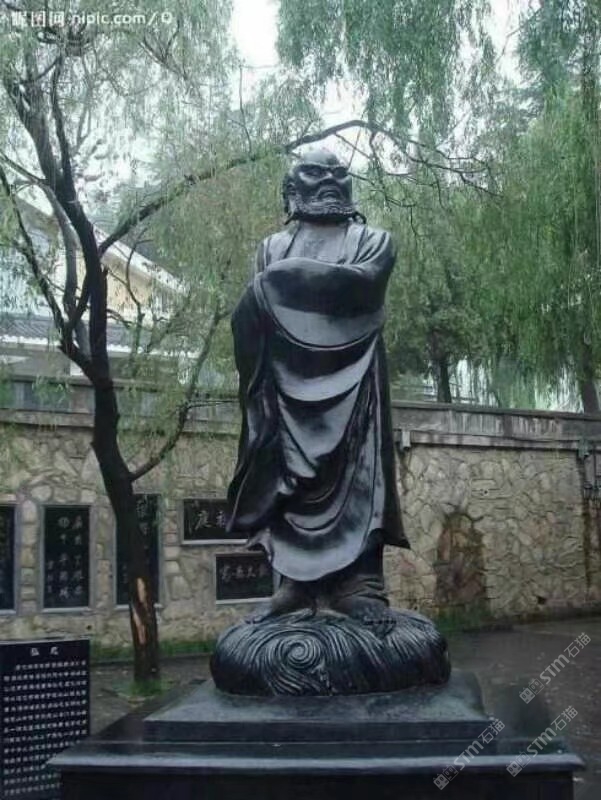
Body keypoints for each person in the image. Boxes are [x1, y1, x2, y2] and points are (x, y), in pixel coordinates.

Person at [226, 147, 409, 621]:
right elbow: (259, 306)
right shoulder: (272, 248)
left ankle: (362, 584)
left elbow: (358, 286)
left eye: (338, 173)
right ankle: (295, 584)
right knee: (288, 475)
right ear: (292, 188)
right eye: (314, 172)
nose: (329, 180)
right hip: (287, 383)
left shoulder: (373, 241)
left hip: (355, 381)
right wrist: (272, 287)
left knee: (358, 475)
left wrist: (276, 284)